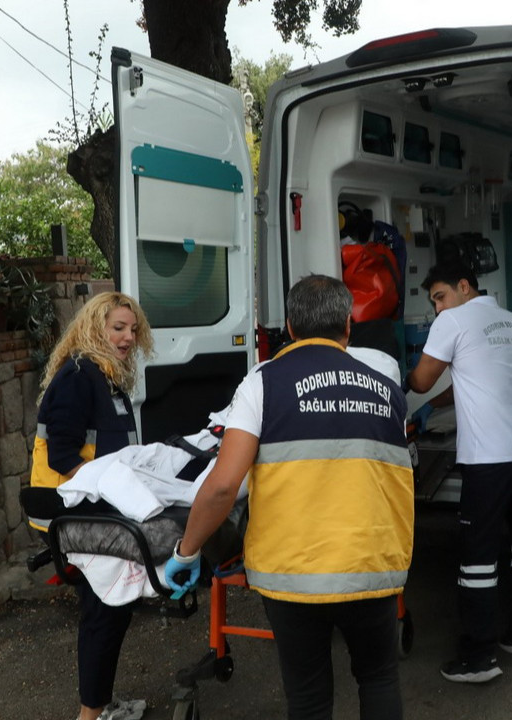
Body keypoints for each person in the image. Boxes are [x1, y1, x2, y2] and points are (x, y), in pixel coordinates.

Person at [165, 274, 414, 720]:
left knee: (308, 697)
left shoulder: (263, 383)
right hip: (372, 562)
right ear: (348, 326)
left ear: (291, 327)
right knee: (378, 679)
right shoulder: (388, 390)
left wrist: (187, 551)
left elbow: (222, 486)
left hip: (293, 572)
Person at [405, 263, 512, 684]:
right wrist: (435, 406)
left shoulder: (453, 321)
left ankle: (478, 657)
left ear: (464, 286)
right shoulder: (510, 322)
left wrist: (404, 383)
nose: (437, 308)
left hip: (490, 456)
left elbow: (423, 378)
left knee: (478, 558)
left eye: (440, 297)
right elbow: (477, 378)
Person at [30, 291, 154, 720]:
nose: (128, 337)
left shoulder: (104, 376)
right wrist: (118, 488)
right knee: (104, 611)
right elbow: (62, 455)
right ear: (93, 328)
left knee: (109, 610)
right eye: (118, 328)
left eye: (132, 329)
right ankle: (91, 714)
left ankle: (99, 704)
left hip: (91, 511)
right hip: (74, 514)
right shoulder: (79, 375)